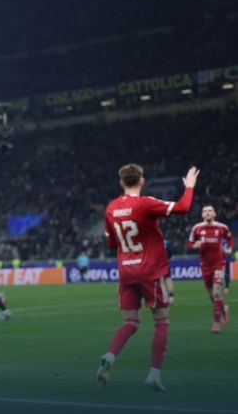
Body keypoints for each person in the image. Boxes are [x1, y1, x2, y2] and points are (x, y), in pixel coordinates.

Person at [97, 164, 199, 392]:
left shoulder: (111, 208)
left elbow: (111, 242)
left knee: (130, 322)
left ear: (121, 183)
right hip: (149, 271)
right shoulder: (145, 203)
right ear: (142, 181)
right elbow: (183, 207)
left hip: (126, 271)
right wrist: (190, 187)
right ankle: (154, 374)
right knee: (161, 321)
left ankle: (110, 356)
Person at [187, 204, 233, 333]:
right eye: (205, 211)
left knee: (217, 292)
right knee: (211, 294)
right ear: (202, 214)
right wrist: (195, 245)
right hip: (205, 265)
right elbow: (189, 244)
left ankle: (216, 323)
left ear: (214, 214)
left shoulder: (222, 227)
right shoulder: (197, 228)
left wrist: (229, 248)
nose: (208, 213)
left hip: (219, 263)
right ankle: (223, 309)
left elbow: (230, 238)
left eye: (210, 211)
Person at [163, 238, 175, 304]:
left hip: (155, 264)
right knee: (168, 279)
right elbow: (170, 253)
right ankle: (171, 298)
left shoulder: (152, 241)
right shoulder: (166, 242)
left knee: (158, 281)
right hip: (165, 263)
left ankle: (162, 299)